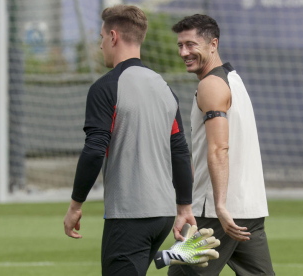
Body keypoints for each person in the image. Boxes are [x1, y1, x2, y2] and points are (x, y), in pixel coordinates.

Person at [63, 5, 197, 276]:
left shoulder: (106, 87)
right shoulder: (163, 87)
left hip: (130, 214)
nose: (100, 45)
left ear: (113, 37)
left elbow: (94, 150)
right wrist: (184, 206)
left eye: (101, 37)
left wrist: (76, 205)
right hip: (162, 214)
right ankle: (173, 255)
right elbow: (179, 150)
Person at [168, 14, 275, 276]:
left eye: (191, 44)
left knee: (180, 274)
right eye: (180, 45)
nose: (184, 52)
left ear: (213, 44)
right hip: (248, 210)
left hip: (216, 214)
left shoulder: (211, 85)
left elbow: (219, 149)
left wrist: (220, 207)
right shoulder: (233, 80)